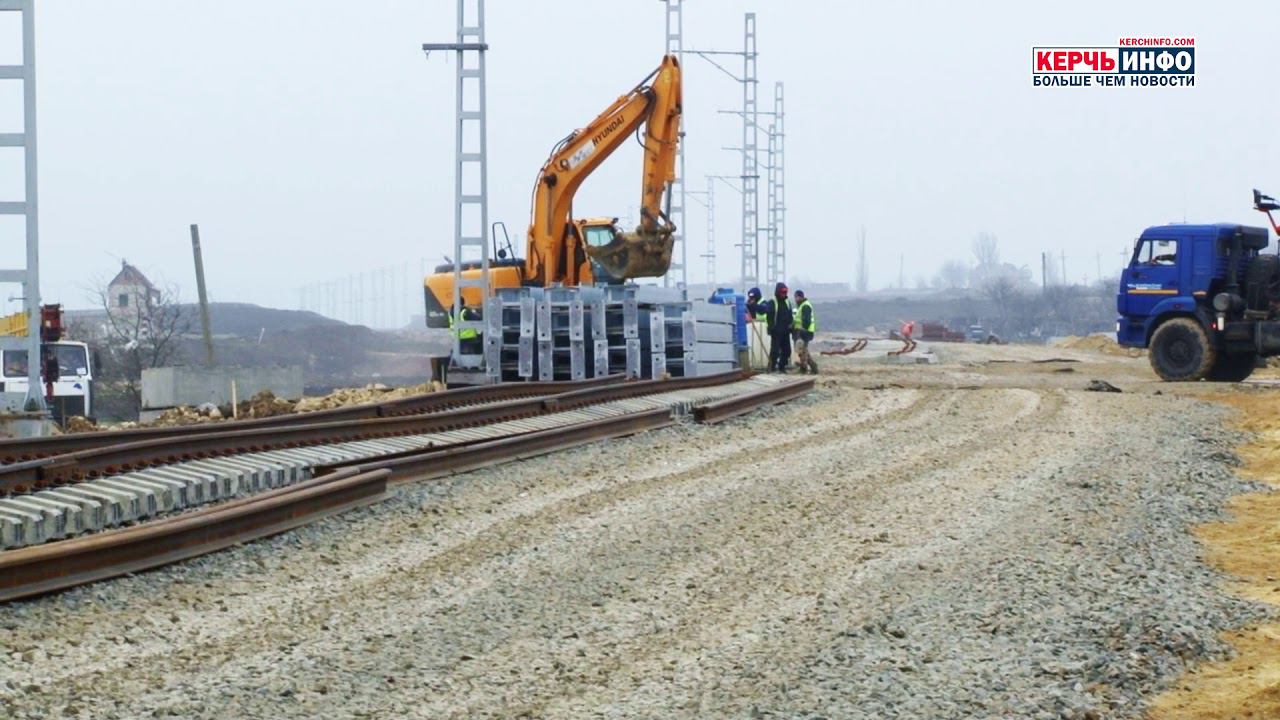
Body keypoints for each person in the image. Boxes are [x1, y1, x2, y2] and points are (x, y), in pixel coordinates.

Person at [769, 282, 794, 372]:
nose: (784, 294)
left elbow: (790, 315)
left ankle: (781, 367)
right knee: (775, 351)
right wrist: (771, 328)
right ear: (778, 292)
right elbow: (770, 316)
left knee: (787, 351)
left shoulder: (787, 302)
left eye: (785, 292)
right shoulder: (772, 302)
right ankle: (772, 368)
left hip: (786, 331)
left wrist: (791, 325)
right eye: (782, 292)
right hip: (776, 331)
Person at [792, 289, 818, 374]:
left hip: (805, 331)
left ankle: (803, 368)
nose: (795, 299)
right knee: (804, 350)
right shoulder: (801, 306)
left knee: (802, 350)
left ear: (800, 297)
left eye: (796, 297)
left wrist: (803, 330)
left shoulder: (805, 306)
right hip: (802, 331)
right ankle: (813, 367)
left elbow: (806, 321)